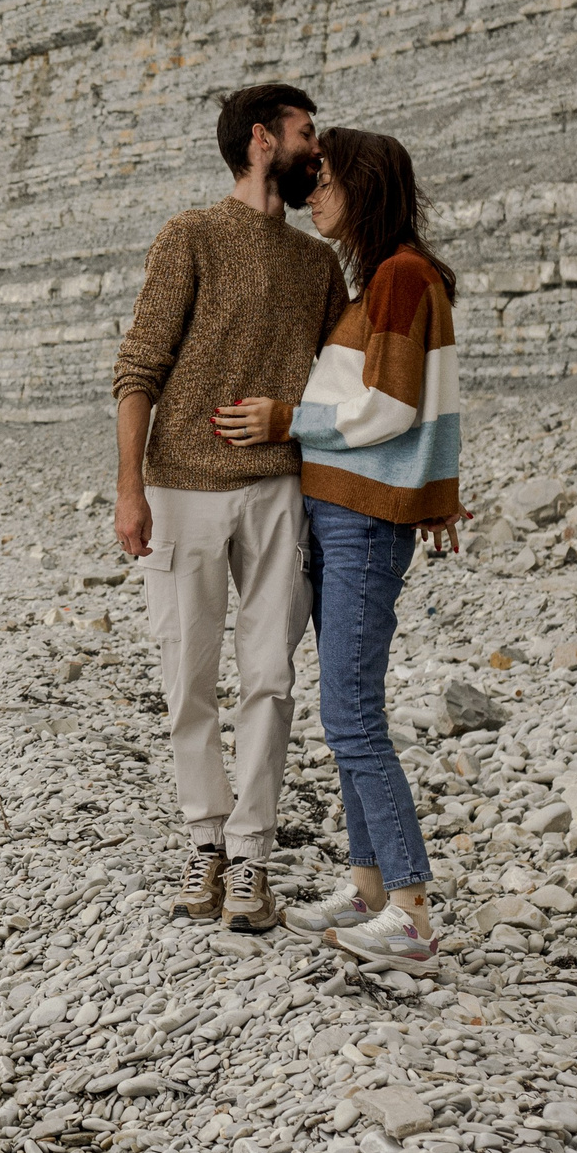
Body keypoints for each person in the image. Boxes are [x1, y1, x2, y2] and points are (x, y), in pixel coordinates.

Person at [211, 127, 465, 970]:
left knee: (353, 715)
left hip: (359, 525)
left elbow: (393, 408)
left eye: (324, 180)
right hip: (345, 518)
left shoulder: (398, 275)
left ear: (363, 186)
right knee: (346, 709)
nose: (310, 192)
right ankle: (367, 888)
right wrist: (433, 492)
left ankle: (412, 909)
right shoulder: (387, 279)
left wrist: (290, 419)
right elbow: (431, 404)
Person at [114, 84, 349, 934]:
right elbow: (139, 363)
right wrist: (129, 487)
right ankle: (204, 839)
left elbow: (343, 380)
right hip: (180, 487)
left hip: (280, 488)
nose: (315, 150)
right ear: (261, 140)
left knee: (271, 677)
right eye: (304, 133)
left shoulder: (318, 265)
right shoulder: (190, 236)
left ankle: (252, 855)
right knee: (187, 677)